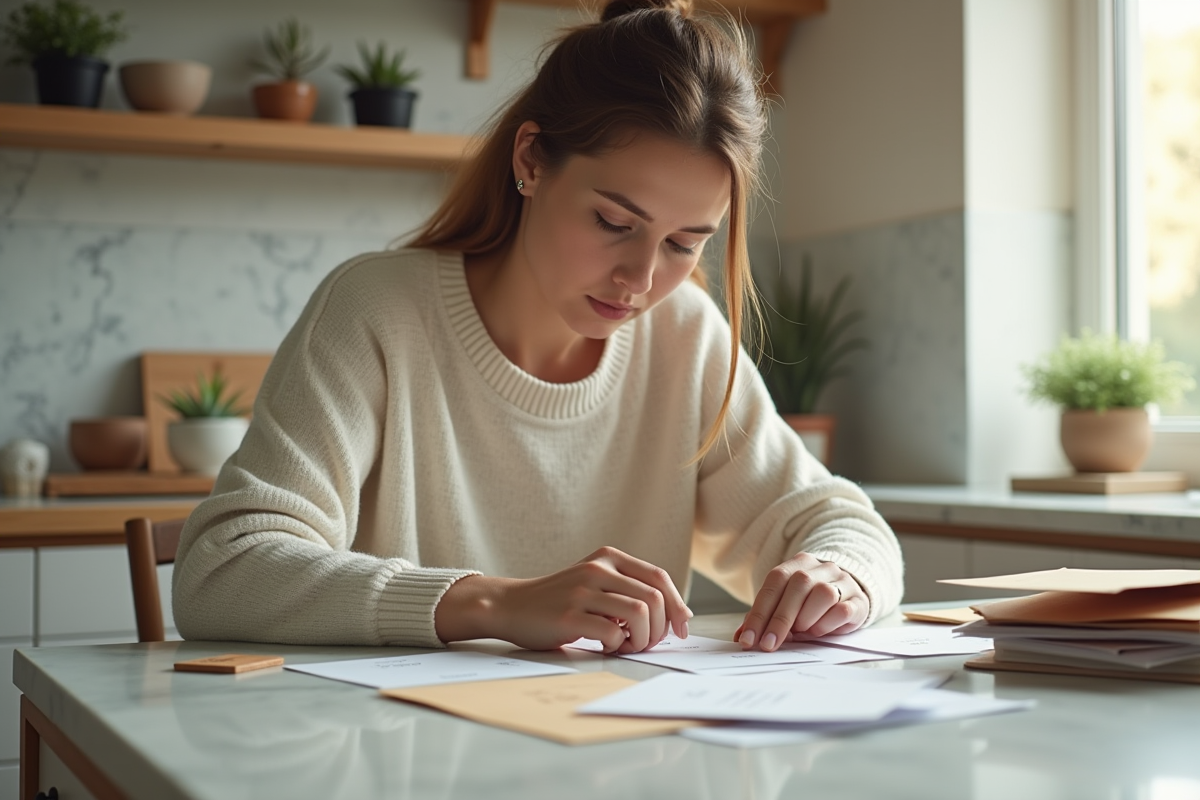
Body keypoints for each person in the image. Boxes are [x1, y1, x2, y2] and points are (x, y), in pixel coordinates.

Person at [172, 0, 903, 656]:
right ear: (531, 160)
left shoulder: (685, 335)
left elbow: (844, 525)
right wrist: (495, 603)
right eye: (613, 222)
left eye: (685, 243)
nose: (641, 278)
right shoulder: (376, 312)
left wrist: (837, 574)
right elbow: (221, 570)